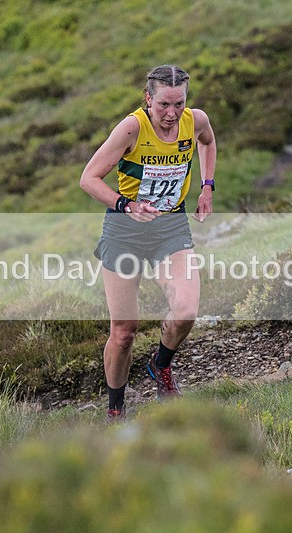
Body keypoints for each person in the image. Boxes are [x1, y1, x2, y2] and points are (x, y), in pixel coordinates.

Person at [79, 64, 217, 420]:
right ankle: (115, 409)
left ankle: (161, 365)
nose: (171, 114)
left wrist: (206, 186)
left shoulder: (194, 120)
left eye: (179, 104)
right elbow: (89, 179)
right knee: (124, 332)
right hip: (124, 231)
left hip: (170, 227)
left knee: (186, 311)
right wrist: (125, 204)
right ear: (148, 99)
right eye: (163, 106)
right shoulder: (132, 128)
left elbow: (208, 141)